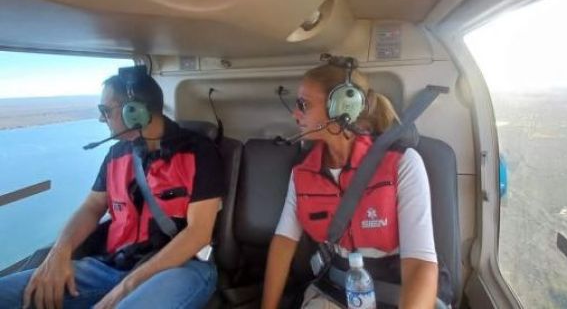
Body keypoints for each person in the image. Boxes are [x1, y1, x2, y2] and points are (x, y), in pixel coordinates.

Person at [0, 67, 225, 309]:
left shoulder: (199, 153)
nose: (100, 118)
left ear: (135, 112)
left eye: (105, 111)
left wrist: (125, 289)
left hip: (179, 269)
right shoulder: (116, 155)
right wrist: (59, 253)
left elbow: (198, 233)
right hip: (110, 266)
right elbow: (92, 206)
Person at [261, 61, 445, 309]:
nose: (295, 113)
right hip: (335, 290)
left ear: (342, 107)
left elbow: (419, 264)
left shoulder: (402, 164)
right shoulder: (302, 173)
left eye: (304, 105)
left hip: (400, 291)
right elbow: (284, 243)